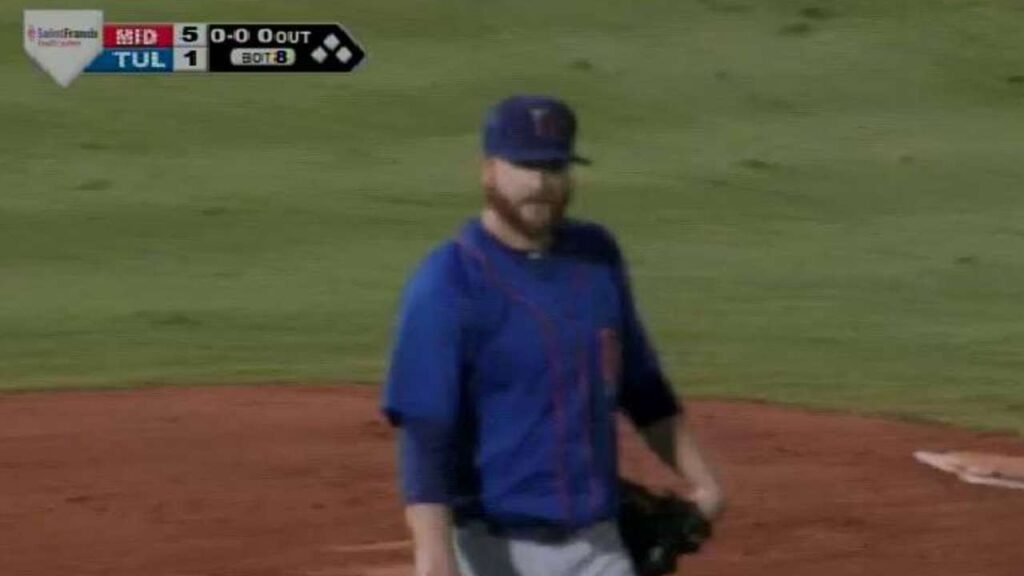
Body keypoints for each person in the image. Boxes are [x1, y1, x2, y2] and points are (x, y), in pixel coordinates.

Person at [381, 95, 725, 576]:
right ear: (489, 170)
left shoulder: (596, 257)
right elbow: (426, 430)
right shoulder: (448, 282)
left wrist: (705, 484)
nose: (540, 184)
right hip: (496, 549)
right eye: (524, 166)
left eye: (554, 166)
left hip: (600, 543)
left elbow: (641, 386)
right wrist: (435, 557)